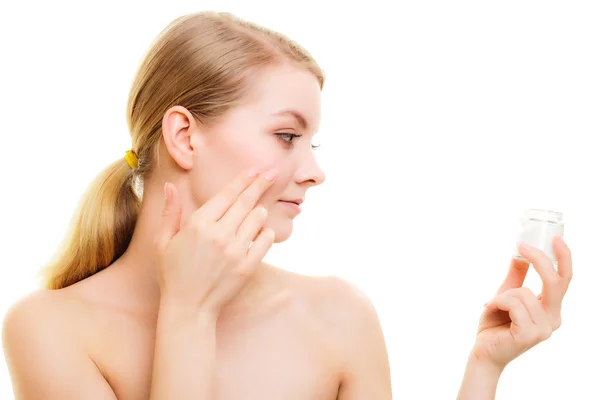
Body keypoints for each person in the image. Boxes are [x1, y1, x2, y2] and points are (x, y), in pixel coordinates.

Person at [1, 11, 572, 400]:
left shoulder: (337, 313)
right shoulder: (50, 331)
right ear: (184, 136)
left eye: (311, 143)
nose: (314, 172)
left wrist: (485, 367)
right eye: (286, 136)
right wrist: (188, 315)